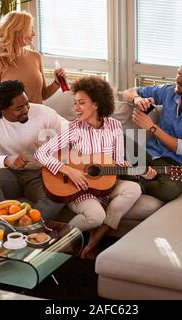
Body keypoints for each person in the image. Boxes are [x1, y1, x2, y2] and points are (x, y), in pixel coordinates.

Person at [35, 76, 142, 259]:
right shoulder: (73, 129)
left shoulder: (114, 126)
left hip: (106, 186)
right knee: (96, 216)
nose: (76, 108)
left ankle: (93, 236)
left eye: (81, 103)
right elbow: (40, 154)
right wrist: (69, 170)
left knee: (134, 188)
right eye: (75, 103)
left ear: (97, 103)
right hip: (79, 189)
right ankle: (62, 238)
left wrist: (140, 170)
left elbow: (118, 162)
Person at [123, 54, 182, 202]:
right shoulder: (168, 92)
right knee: (120, 139)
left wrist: (152, 128)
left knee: (168, 191)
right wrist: (138, 99)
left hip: (175, 164)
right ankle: (135, 175)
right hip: (149, 154)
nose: (178, 79)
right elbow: (128, 92)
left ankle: (131, 178)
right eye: (178, 73)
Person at [0, 80, 66, 220]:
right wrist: (6, 160)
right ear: (2, 109)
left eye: (26, 103)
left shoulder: (44, 113)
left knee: (61, 191)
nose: (26, 109)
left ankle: (27, 225)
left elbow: (69, 138)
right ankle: (0, 223)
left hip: (39, 175)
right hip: (8, 176)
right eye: (19, 108)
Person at [0, 11, 66, 115]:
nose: (34, 33)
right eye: (31, 29)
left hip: (37, 118)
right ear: (18, 31)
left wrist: (57, 82)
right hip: (13, 121)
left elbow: (42, 94)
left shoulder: (35, 57)